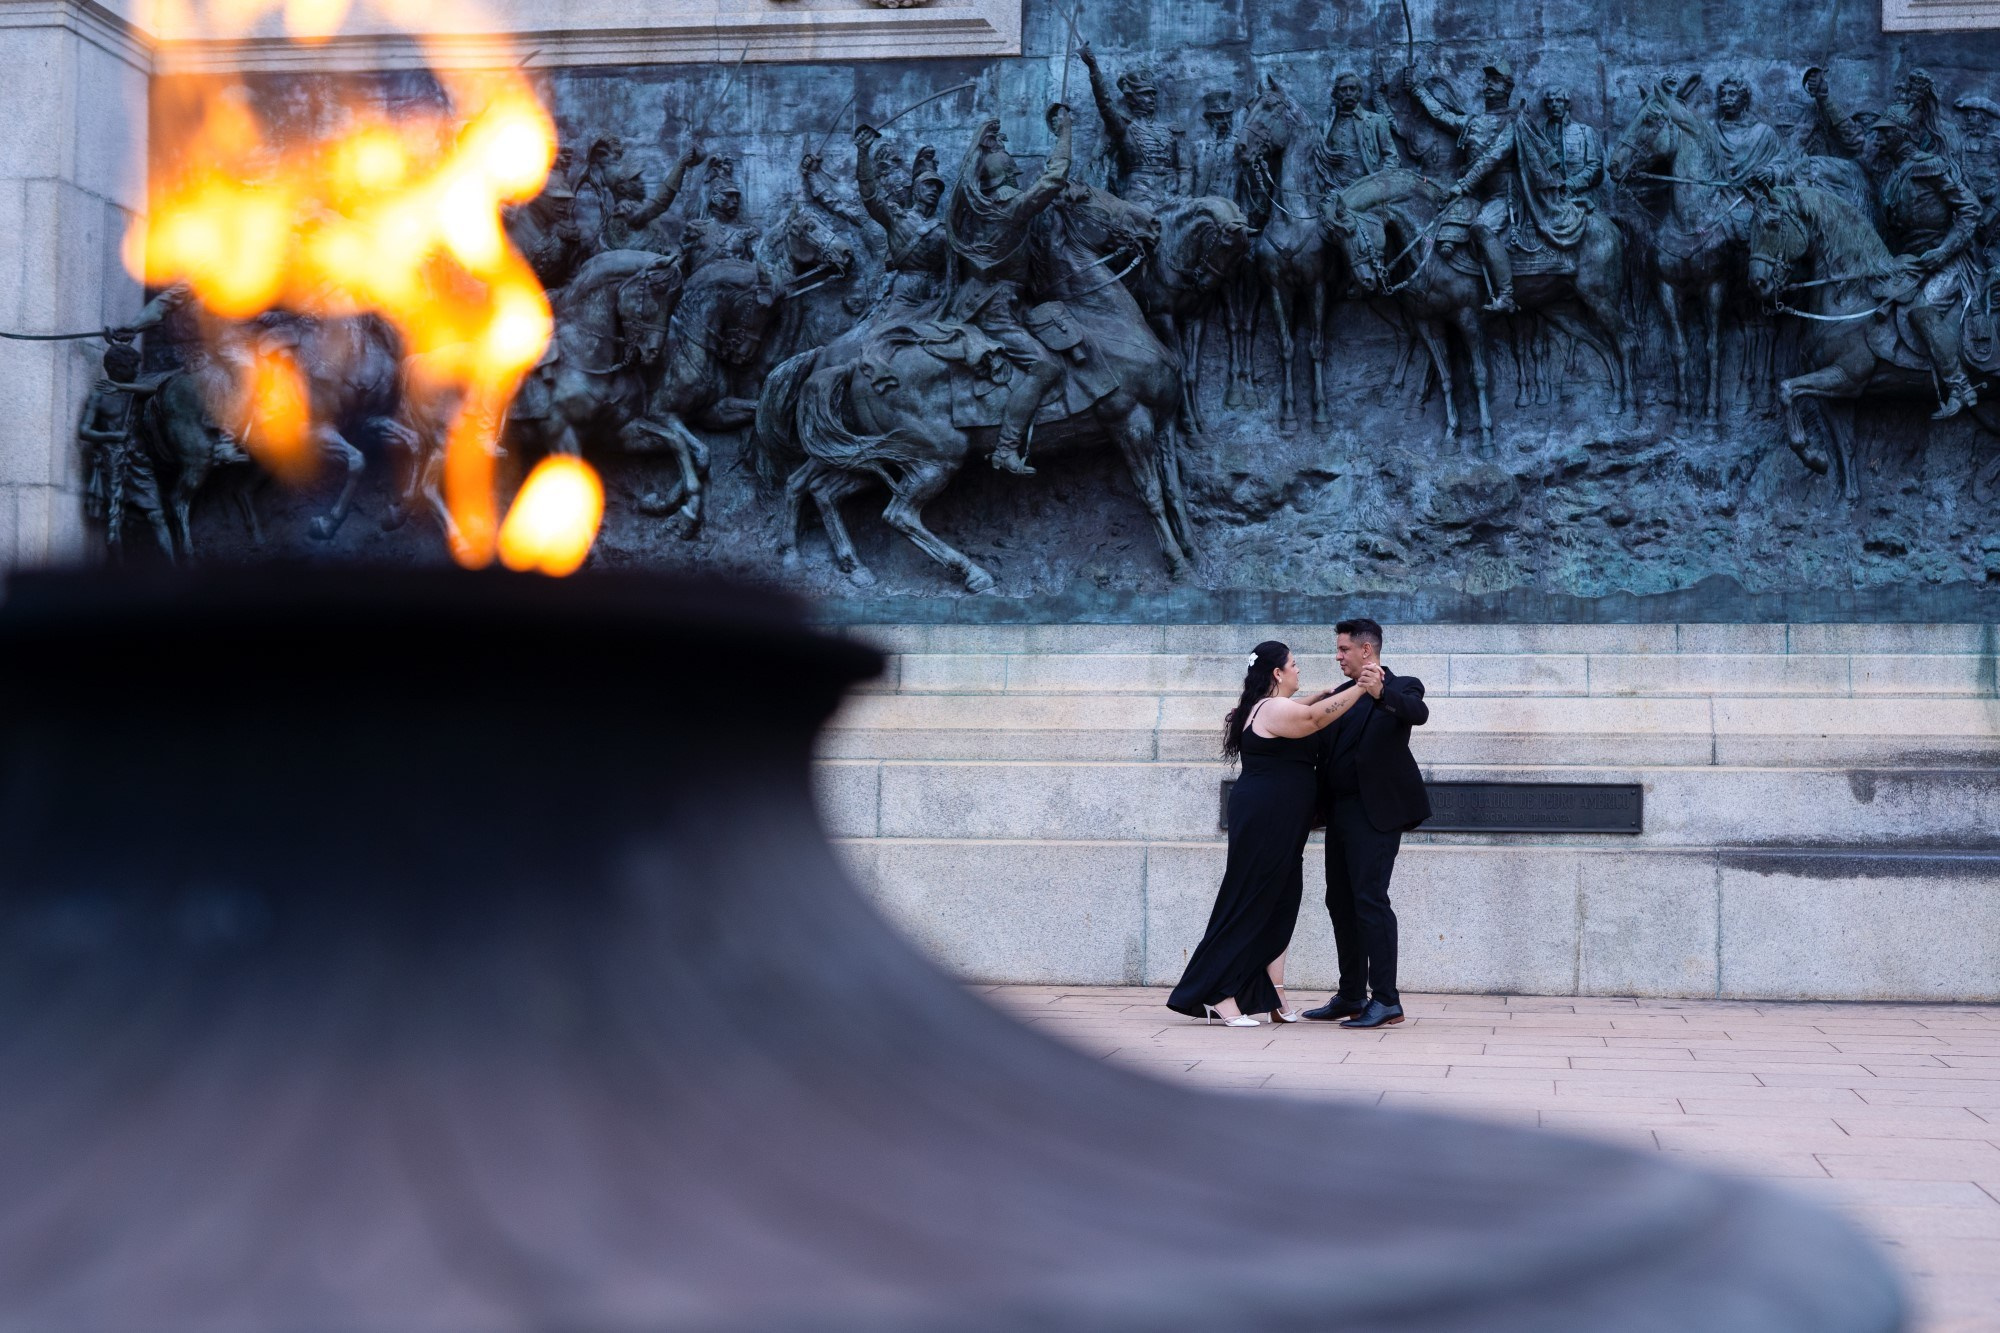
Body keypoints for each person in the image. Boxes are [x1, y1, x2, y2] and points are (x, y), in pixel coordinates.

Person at [1167, 641, 1368, 1027]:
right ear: (1278, 673)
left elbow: (1300, 711)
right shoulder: (1273, 708)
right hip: (1267, 818)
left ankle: (1273, 992)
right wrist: (1360, 688)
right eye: (1294, 664)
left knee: (1281, 903)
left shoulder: (1264, 706)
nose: (1298, 669)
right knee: (1251, 902)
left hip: (1280, 819)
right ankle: (1218, 993)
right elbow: (1312, 720)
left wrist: (1318, 695)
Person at [1301, 618, 1431, 1030]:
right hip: (1338, 813)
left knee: (1370, 900)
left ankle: (1387, 1000)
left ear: (1366, 650)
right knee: (1339, 901)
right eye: (1338, 650)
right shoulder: (1340, 695)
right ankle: (1352, 995)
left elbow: (1418, 713)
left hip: (1375, 814)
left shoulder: (1403, 686)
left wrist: (1380, 693)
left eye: (1343, 649)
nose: (1338, 657)